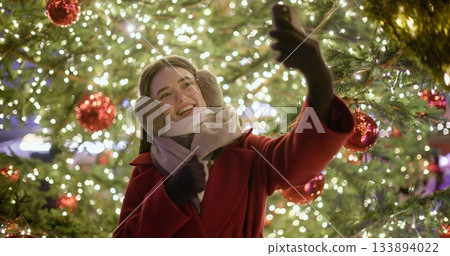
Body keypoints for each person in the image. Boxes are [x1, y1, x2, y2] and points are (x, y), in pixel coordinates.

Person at [112, 5, 355, 238]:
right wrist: (171, 195)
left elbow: (295, 163)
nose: (181, 96)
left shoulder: (246, 149)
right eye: (165, 94)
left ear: (205, 89)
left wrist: (319, 83)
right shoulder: (146, 173)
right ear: (151, 113)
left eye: (187, 84)